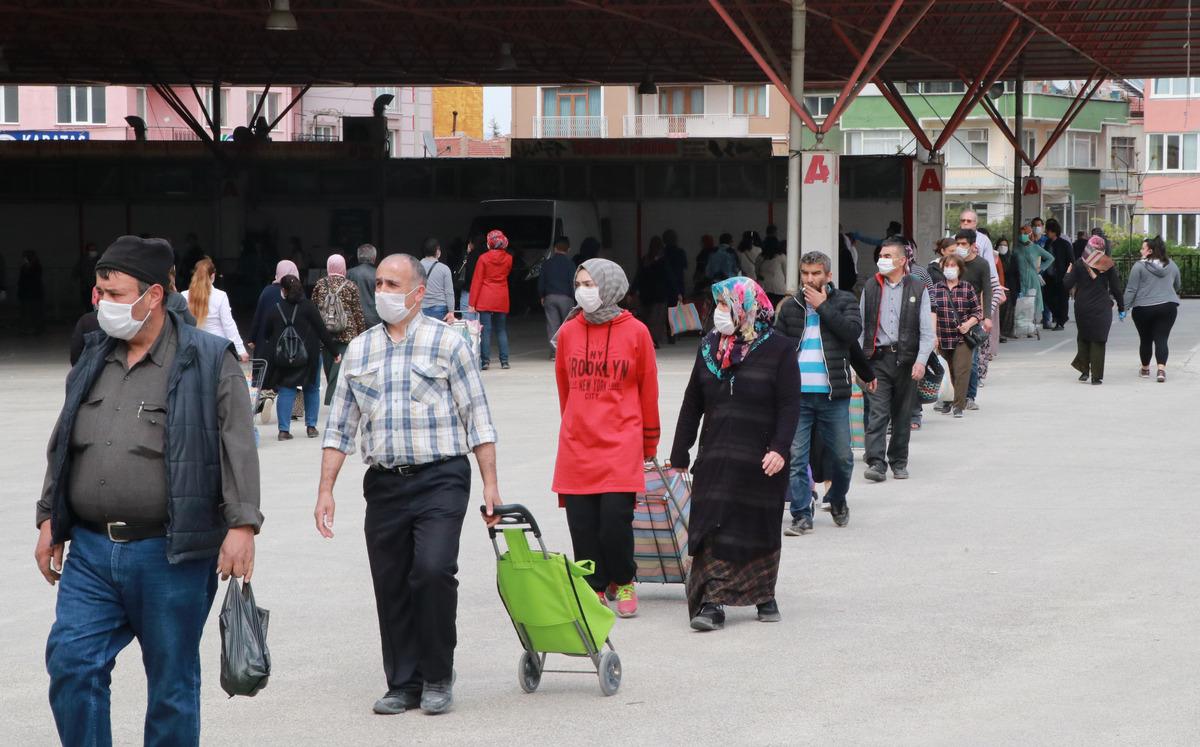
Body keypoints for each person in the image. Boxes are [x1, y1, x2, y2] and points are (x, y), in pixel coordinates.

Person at [35, 235, 261, 746]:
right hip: (92, 552)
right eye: (100, 293)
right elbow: (65, 438)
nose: (103, 305)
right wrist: (50, 516)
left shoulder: (208, 358)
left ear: (153, 295)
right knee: (72, 664)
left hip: (170, 555)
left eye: (115, 294)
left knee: (171, 687)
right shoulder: (93, 352)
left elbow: (238, 445)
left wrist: (242, 524)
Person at [316, 253, 499, 716]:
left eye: (392, 285)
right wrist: (325, 490)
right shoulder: (360, 349)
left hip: (441, 479)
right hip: (385, 484)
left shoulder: (449, 343)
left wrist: (490, 485)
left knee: (433, 571)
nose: (382, 292)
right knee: (391, 581)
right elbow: (339, 427)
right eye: (378, 283)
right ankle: (403, 683)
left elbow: (477, 417)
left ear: (418, 293)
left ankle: (437, 676)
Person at [670, 277, 800, 630]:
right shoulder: (709, 348)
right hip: (715, 456)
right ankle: (712, 602)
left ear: (747, 307)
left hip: (761, 460)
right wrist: (680, 452)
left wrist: (780, 449)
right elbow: (692, 402)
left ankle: (763, 593)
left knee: (756, 526)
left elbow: (790, 405)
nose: (720, 313)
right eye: (719, 305)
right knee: (712, 525)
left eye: (726, 305)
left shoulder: (780, 349)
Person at [553, 258, 659, 619]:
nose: (582, 291)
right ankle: (594, 585)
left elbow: (648, 390)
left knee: (615, 520)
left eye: (590, 284)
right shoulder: (568, 333)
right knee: (582, 525)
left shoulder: (636, 332)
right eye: (579, 284)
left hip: (620, 442)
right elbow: (565, 389)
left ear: (610, 287)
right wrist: (574, 424)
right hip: (578, 444)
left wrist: (649, 441)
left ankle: (623, 579)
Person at [773, 251, 862, 534]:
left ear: (828, 275)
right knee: (797, 458)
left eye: (816, 274)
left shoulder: (845, 301)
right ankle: (801, 514)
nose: (809, 279)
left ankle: (836, 498)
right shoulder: (790, 307)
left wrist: (823, 306)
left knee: (843, 458)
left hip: (833, 396)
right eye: (805, 273)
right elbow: (777, 347)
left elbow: (851, 334)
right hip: (796, 398)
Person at [858, 239, 934, 482]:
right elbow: (861, 327)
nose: (882, 260)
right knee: (877, 413)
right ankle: (876, 463)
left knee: (902, 414)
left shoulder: (918, 288)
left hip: (906, 360)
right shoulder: (871, 286)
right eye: (881, 255)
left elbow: (927, 332)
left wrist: (921, 361)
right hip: (877, 359)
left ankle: (899, 462)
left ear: (902, 261)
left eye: (888, 256)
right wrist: (859, 363)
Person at [263, 275, 339, 440]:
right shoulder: (309, 307)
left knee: (286, 390)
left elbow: (266, 333)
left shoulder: (276, 308)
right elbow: (322, 331)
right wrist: (335, 352)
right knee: (311, 388)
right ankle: (311, 427)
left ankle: (283, 430)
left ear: (283, 290)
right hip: (309, 355)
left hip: (284, 358)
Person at [1063, 236, 1124, 385]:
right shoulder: (1107, 264)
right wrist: (1121, 307)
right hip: (1102, 307)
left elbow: (1067, 285)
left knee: (1083, 336)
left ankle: (1084, 371)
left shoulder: (1079, 263)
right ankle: (1096, 377)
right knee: (1099, 339)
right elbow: (1116, 288)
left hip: (1082, 306)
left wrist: (1068, 273)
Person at [930, 254, 984, 418]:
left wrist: (967, 324)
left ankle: (958, 405)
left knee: (961, 371)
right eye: (947, 265)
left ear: (960, 269)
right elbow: (931, 312)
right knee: (948, 372)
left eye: (953, 266)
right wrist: (933, 335)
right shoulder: (935, 289)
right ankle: (948, 400)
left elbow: (978, 312)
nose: (950, 269)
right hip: (942, 338)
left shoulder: (967, 288)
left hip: (962, 338)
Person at [1124, 235, 1182, 383]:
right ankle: (1161, 370)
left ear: (1150, 251)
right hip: (1168, 307)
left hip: (1143, 308)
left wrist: (1124, 307)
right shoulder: (1172, 265)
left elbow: (1131, 289)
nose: (1140, 250)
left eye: (1143, 248)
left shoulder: (1139, 266)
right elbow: (1177, 285)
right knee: (1162, 338)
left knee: (1145, 339)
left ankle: (1145, 369)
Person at [312, 254, 367, 405]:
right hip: (346, 335)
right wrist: (362, 334)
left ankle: (333, 400)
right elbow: (357, 313)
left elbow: (314, 309)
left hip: (325, 335)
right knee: (338, 371)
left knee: (330, 369)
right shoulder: (351, 286)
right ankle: (334, 400)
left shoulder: (320, 285)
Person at [954, 229, 997, 410]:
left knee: (971, 360)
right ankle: (952, 396)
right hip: (951, 316)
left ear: (973, 245)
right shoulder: (953, 263)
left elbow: (987, 290)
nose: (960, 247)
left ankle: (969, 396)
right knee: (952, 359)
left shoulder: (981, 264)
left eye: (963, 244)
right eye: (957, 244)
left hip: (973, 317)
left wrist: (987, 316)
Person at [183, 257, 249, 362]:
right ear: (213, 276)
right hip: (218, 349)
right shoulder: (220, 296)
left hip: (194, 349)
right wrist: (240, 350)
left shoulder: (184, 295)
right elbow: (228, 325)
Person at [469, 230, 514, 370]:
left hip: (485, 297)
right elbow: (507, 273)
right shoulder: (509, 258)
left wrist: (472, 303)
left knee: (486, 330)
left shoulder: (483, 258)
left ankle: (485, 362)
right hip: (501, 296)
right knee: (501, 329)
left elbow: (477, 280)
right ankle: (504, 361)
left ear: (489, 243)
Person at [249, 259, 300, 357]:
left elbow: (258, 317)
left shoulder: (267, 291)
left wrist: (252, 338)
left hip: (266, 345)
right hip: (289, 347)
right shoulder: (298, 293)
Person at [1012, 224, 1056, 329]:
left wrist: (1041, 268)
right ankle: (1023, 328)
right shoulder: (1016, 249)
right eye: (1021, 233)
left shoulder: (1035, 247)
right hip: (1020, 280)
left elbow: (1050, 258)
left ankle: (1031, 327)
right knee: (1021, 303)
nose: (1023, 235)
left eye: (1025, 233)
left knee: (1033, 303)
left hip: (1033, 279)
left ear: (1030, 234)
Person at [539, 235, 576, 358]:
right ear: (568, 249)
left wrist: (542, 295)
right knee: (568, 325)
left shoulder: (547, 264)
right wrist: (575, 298)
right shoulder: (570, 264)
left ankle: (555, 353)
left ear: (554, 248)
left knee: (552, 326)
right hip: (566, 298)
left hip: (550, 297)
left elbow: (541, 281)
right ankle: (568, 351)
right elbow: (573, 282)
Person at [637, 235, 673, 348]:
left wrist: (633, 291)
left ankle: (648, 340)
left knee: (647, 319)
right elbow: (669, 277)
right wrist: (676, 292)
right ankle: (654, 340)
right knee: (657, 320)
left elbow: (638, 276)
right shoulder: (663, 260)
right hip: (659, 295)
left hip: (646, 295)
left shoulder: (645, 259)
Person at [1041, 218, 1074, 330]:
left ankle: (1061, 321)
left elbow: (1071, 261)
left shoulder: (1064, 244)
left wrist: (1069, 276)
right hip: (1049, 276)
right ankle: (1060, 316)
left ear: (1054, 231)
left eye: (1048, 230)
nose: (1046, 232)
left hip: (1062, 277)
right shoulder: (1048, 243)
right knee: (1047, 297)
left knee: (1062, 300)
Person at [418, 238, 457, 321]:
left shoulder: (416, 267)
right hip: (440, 308)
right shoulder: (444, 269)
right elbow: (449, 292)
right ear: (437, 251)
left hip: (421, 308)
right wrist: (451, 311)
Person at [348, 243, 381, 328]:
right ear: (374, 258)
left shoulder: (349, 273)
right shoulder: (379, 274)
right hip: (375, 320)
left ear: (358, 257)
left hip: (354, 319)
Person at [18, 249, 46, 335]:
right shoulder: (24, 267)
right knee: (27, 311)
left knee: (35, 311)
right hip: (27, 293)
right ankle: (29, 328)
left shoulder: (36, 267)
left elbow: (34, 279)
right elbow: (22, 280)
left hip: (34, 293)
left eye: (25, 257)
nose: (24, 259)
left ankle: (36, 328)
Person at [996, 237, 1018, 340]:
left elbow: (1017, 274)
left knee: (1009, 310)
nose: (1003, 247)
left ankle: (1008, 331)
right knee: (999, 311)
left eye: (1005, 245)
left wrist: (1018, 289)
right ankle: (999, 332)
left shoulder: (1012, 258)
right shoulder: (995, 258)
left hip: (1010, 287)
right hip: (999, 287)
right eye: (1001, 245)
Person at [456, 235, 483, 313]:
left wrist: (466, 253)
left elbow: (467, 272)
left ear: (471, 244)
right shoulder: (484, 256)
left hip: (468, 289)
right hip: (482, 291)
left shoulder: (469, 256)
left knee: (467, 317)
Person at [757, 238, 787, 306]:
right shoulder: (781, 257)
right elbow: (786, 273)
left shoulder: (760, 257)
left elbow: (757, 272)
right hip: (779, 289)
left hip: (765, 288)